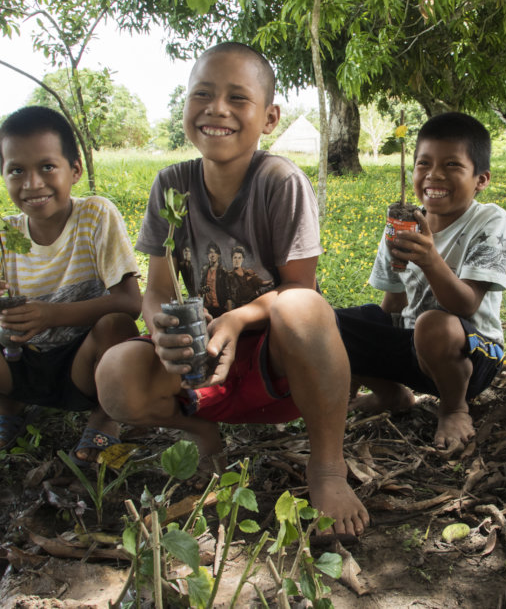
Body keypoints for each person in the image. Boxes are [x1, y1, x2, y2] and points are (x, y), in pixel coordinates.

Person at [94, 42, 369, 537]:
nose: (216, 108)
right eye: (202, 93)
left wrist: (239, 318)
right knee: (116, 375)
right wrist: (160, 330)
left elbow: (299, 289)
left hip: (278, 364)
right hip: (202, 362)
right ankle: (203, 432)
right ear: (185, 105)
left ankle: (327, 466)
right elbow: (156, 289)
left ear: (269, 118)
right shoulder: (171, 186)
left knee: (305, 308)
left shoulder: (280, 181)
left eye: (237, 98)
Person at [0, 106, 141, 464]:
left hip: (83, 362)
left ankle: (105, 417)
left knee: (117, 327)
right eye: (17, 170)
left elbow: (129, 302)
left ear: (74, 170)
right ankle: (5, 400)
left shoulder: (95, 215)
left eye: (47, 167)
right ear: (2, 176)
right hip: (14, 358)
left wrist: (52, 315)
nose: (32, 183)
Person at [336, 112, 506, 453]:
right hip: (415, 347)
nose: (434, 174)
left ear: (481, 179)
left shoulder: (491, 221)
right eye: (424, 163)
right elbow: (393, 305)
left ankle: (454, 408)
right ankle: (392, 394)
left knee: (432, 324)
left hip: (471, 356)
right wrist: (360, 354)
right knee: (334, 323)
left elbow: (466, 304)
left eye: (451, 165)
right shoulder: (402, 224)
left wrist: (431, 259)